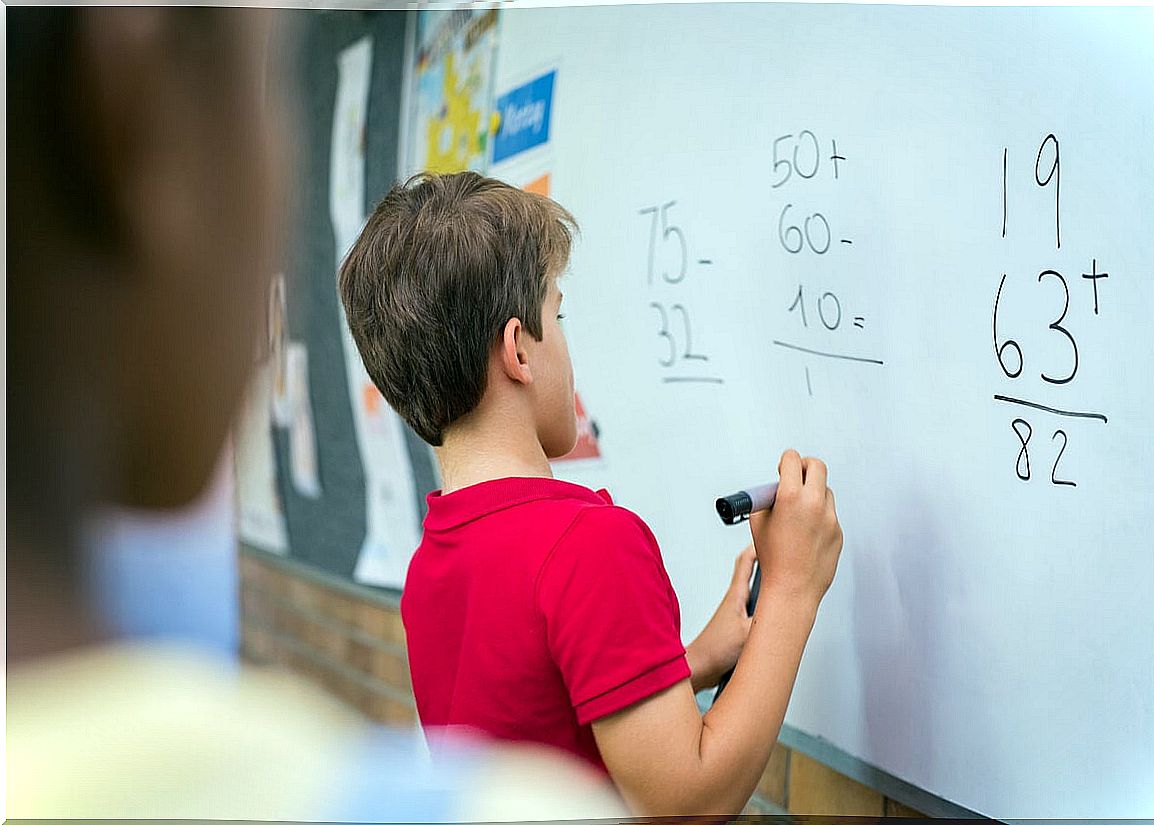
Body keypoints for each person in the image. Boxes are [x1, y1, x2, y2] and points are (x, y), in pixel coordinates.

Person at [7, 9, 624, 820]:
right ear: (134, 106)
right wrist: (787, 600)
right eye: (270, 81)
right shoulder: (502, 802)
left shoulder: (441, 550)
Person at [337, 170, 846, 816]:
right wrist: (791, 590)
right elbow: (686, 799)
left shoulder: (434, 559)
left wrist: (688, 663)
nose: (569, 339)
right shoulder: (588, 544)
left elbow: (541, 724)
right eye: (560, 312)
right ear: (519, 349)